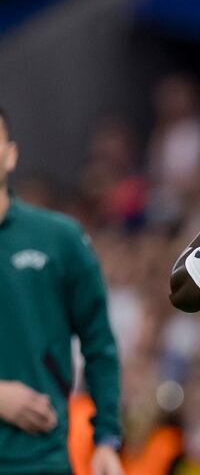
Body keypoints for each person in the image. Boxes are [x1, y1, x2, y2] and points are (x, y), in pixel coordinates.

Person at [0, 109, 123, 475]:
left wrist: (106, 440)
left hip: (39, 458)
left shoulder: (59, 239)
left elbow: (99, 343)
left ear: (11, 153)